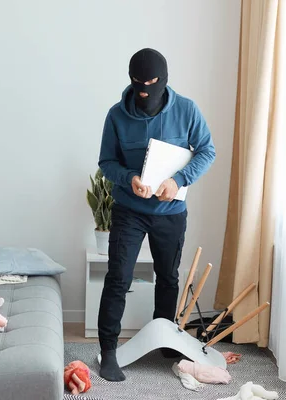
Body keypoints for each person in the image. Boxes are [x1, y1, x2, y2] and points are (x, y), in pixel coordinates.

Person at [96, 48, 216, 382]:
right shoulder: (116, 116)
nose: (146, 90)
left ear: (164, 80)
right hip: (129, 210)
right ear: (132, 82)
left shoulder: (187, 110)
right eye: (140, 84)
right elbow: (107, 162)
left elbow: (207, 150)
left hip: (171, 211)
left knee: (168, 277)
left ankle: (164, 343)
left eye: (153, 83)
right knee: (118, 277)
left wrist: (177, 180)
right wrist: (129, 179)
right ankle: (108, 349)